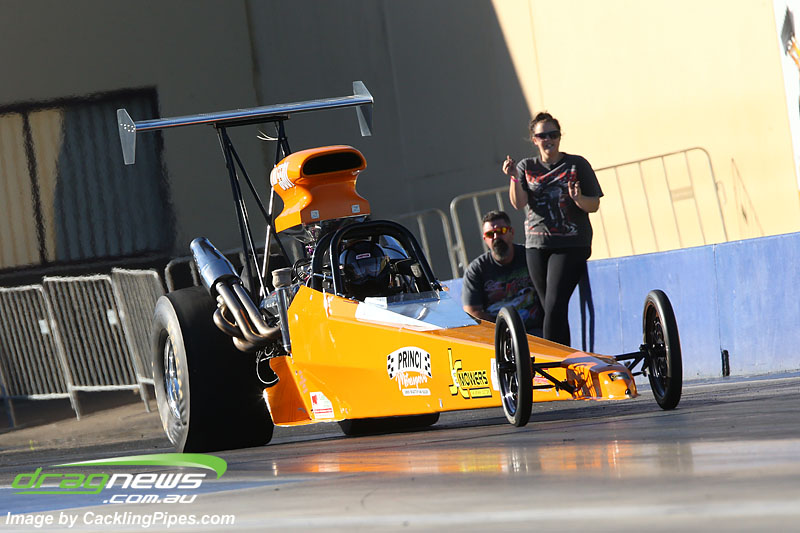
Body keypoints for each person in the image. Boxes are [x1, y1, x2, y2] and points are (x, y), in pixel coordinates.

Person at [502, 112, 603, 346]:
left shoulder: (577, 164)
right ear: (534, 140)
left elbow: (594, 205)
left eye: (553, 134)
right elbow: (518, 203)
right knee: (549, 306)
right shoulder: (526, 166)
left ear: (559, 137)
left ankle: (552, 359)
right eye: (542, 136)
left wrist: (578, 199)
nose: (548, 140)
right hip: (537, 246)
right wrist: (514, 177)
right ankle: (563, 356)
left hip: (571, 244)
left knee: (555, 304)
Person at [462, 211, 543, 335]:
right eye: (490, 234)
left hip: (537, 332)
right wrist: (502, 329)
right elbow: (472, 312)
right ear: (485, 239)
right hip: (500, 336)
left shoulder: (530, 256)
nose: (496, 237)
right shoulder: (476, 270)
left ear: (511, 232)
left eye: (501, 231)